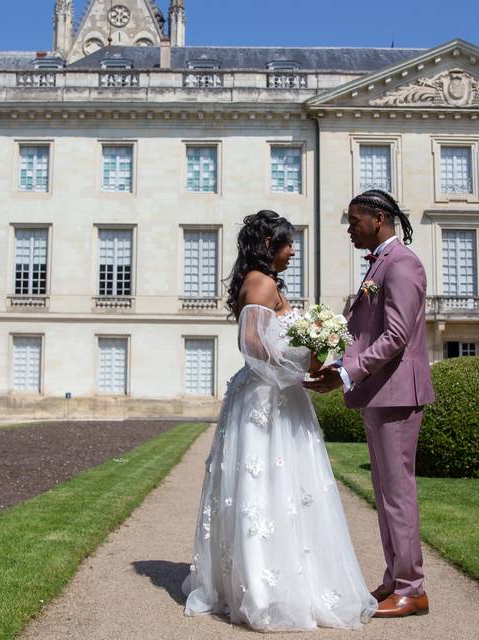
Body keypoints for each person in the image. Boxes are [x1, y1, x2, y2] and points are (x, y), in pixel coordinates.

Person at [182, 210, 377, 631]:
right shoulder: (262, 282)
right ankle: (264, 589)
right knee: (266, 489)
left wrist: (313, 348)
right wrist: (297, 367)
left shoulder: (261, 281)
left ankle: (272, 579)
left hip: (277, 397)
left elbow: (267, 341)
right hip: (265, 401)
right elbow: (253, 346)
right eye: (288, 243)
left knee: (282, 489)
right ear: (269, 244)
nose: (293, 251)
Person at [305, 190, 435, 618]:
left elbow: (396, 337)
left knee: (398, 493)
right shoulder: (381, 264)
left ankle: (412, 588)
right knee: (385, 492)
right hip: (380, 393)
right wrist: (336, 363)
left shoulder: (402, 264)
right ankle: (395, 578)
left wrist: (346, 373)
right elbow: (365, 333)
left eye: (354, 221)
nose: (349, 229)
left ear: (378, 219)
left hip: (397, 393)